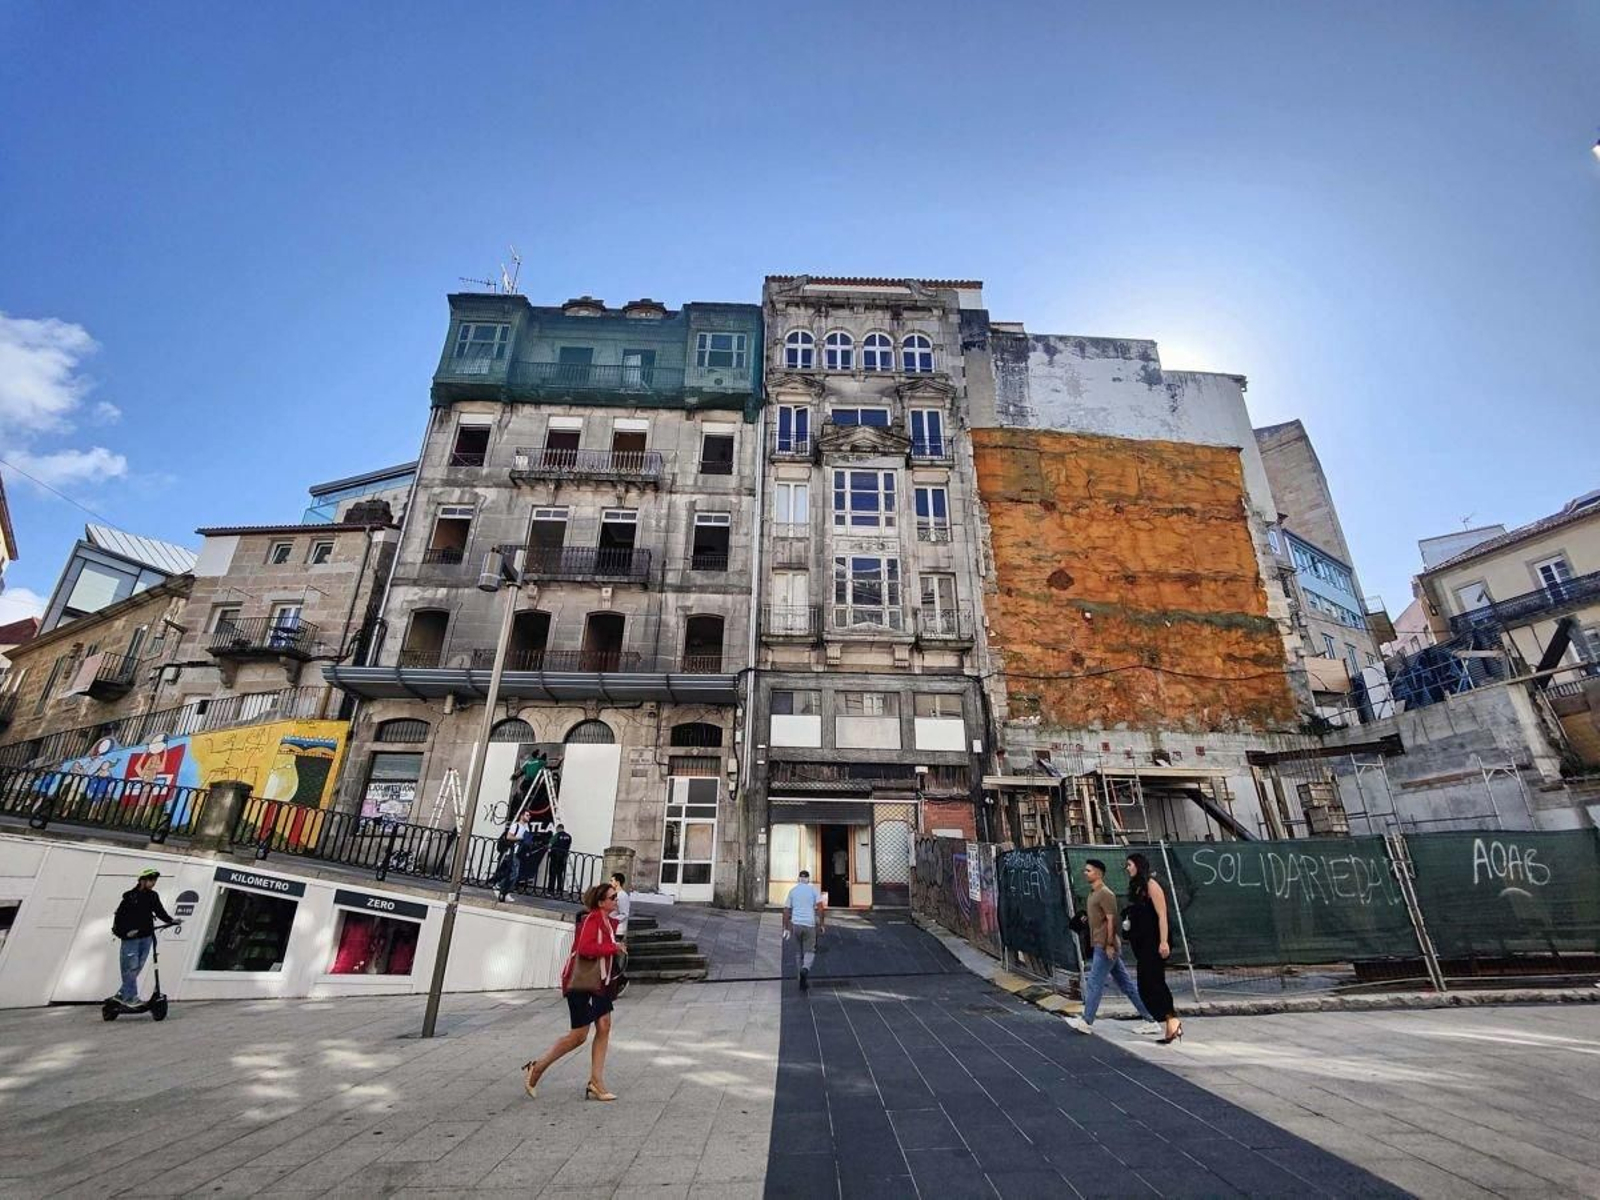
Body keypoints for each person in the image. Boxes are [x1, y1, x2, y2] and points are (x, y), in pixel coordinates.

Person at [522, 881, 623, 1102]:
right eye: (612, 897)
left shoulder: (607, 921)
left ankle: (596, 1082)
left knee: (604, 1026)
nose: (616, 900)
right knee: (578, 1036)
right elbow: (585, 949)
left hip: (600, 983)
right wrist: (613, 947)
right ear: (601, 902)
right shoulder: (591, 919)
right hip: (582, 984)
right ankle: (537, 1067)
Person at [1065, 858, 1158, 1036]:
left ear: (1098, 873)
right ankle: (1150, 1019)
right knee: (1127, 985)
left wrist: (1108, 945)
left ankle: (1086, 1021)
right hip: (1100, 944)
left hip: (1105, 946)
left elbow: (1112, 920)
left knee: (1094, 982)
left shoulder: (1106, 894)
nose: (1085, 873)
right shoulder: (1093, 894)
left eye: (1088, 870)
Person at [1125, 853, 1183, 1044]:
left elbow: (1162, 915)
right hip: (1142, 943)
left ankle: (1171, 1020)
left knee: (1155, 981)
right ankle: (1167, 1019)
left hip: (1155, 941)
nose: (1127, 868)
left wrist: (1164, 941)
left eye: (1130, 865)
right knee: (1145, 983)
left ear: (1139, 866)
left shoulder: (1152, 885)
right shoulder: (1137, 888)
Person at [110, 867, 177, 1007]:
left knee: (138, 966)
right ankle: (130, 998)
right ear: (142, 880)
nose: (153, 883)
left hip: (146, 936)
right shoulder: (129, 897)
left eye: (155, 880)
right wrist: (125, 933)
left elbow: (159, 911)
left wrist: (171, 921)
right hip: (131, 938)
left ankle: (122, 994)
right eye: (151, 880)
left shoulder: (153, 896)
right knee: (130, 967)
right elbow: (119, 918)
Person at [783, 869, 824, 991]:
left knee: (798, 952)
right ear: (808, 879)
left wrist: (786, 928)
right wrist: (821, 924)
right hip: (809, 925)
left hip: (796, 925)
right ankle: (805, 969)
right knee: (810, 951)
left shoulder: (793, 891)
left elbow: (786, 911)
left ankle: (800, 978)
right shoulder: (813, 890)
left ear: (799, 879)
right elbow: (821, 908)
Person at [493, 810, 532, 902]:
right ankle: (500, 887)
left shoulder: (526, 828)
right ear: (521, 816)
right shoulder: (516, 826)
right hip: (512, 852)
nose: (529, 817)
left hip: (520, 852)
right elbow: (509, 836)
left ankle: (505, 891)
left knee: (513, 873)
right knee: (514, 873)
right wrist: (520, 838)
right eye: (527, 815)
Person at [547, 824, 572, 894]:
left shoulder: (556, 835)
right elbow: (568, 846)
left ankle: (550, 891)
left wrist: (549, 850)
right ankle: (559, 891)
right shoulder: (569, 836)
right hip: (563, 857)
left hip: (554, 857)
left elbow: (550, 844)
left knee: (552, 874)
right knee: (560, 874)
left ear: (558, 828)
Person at [610, 872, 632, 940]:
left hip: (618, 929)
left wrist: (612, 921)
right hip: (612, 928)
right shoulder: (615, 894)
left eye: (612, 881)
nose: (610, 883)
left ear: (617, 882)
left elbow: (624, 914)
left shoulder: (623, 895)